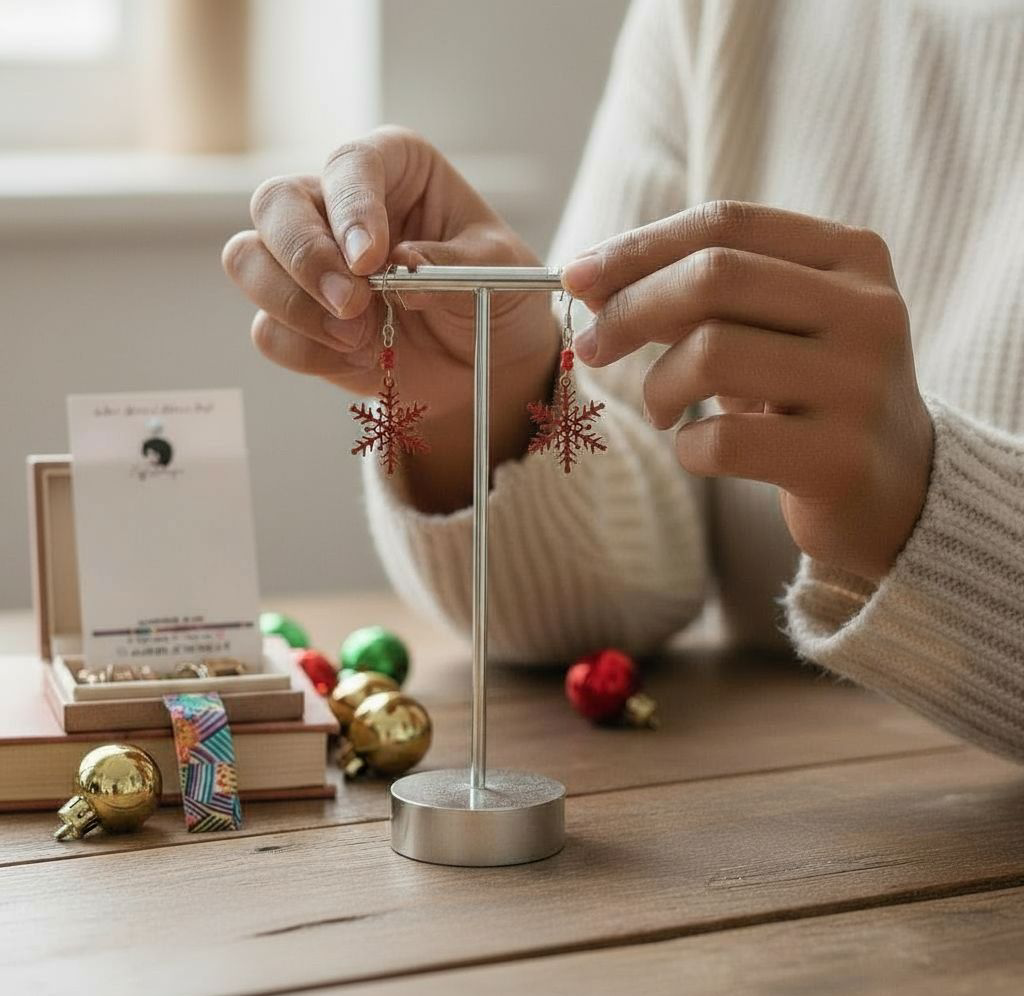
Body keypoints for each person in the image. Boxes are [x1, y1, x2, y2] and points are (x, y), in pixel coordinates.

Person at [223, 0, 1024, 761]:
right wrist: (496, 401)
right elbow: (633, 554)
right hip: (760, 810)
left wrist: (924, 500)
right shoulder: (713, 17)